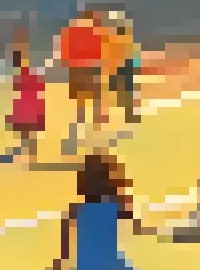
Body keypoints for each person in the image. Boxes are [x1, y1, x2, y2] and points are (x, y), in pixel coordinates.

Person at [59, 11, 109, 151]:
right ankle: (96, 134)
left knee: (81, 105)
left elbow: (64, 53)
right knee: (95, 102)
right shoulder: (94, 32)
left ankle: (76, 136)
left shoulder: (71, 30)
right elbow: (99, 53)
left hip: (77, 70)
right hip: (89, 69)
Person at [7, 48, 49, 163]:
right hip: (28, 111)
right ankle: (29, 158)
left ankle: (28, 158)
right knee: (28, 137)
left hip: (26, 111)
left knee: (27, 137)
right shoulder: (28, 75)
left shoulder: (21, 76)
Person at [106, 11, 143, 124]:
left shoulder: (124, 38)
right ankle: (129, 116)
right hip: (117, 67)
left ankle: (130, 116)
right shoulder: (112, 38)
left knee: (125, 94)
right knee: (122, 94)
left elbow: (133, 54)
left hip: (123, 67)